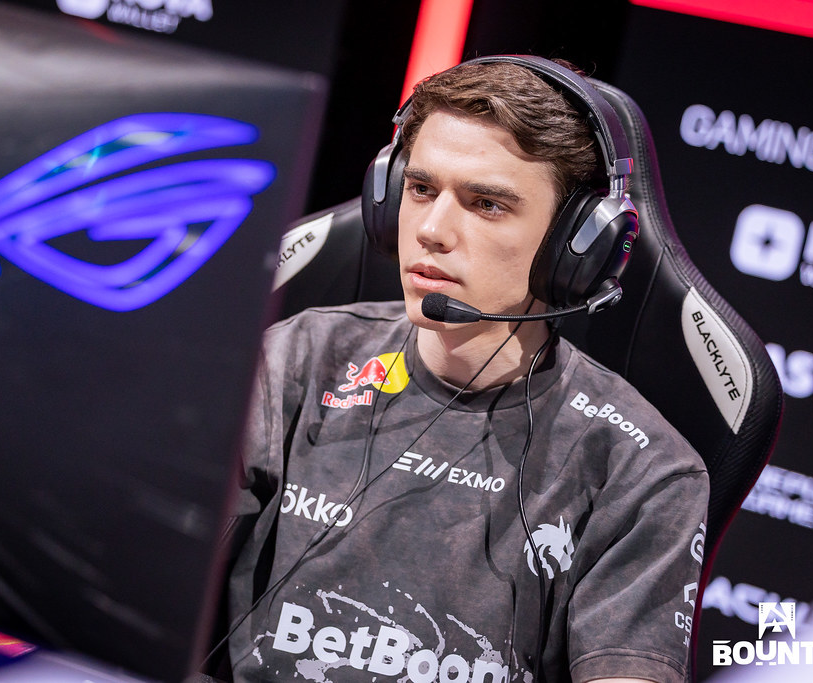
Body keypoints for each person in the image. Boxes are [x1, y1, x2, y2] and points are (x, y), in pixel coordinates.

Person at [219, 56, 709, 683]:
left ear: (576, 244)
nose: (431, 230)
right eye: (421, 190)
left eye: (486, 204)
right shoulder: (296, 360)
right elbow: (151, 578)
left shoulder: (643, 471)